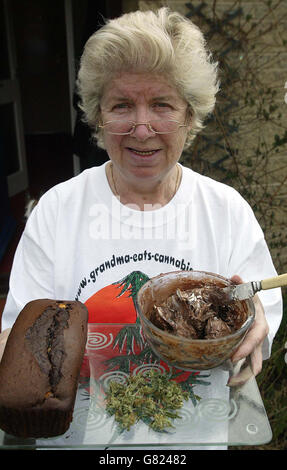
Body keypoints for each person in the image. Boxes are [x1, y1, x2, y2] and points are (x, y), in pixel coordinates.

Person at [0, 8, 282, 449]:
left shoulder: (225, 210)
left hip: (190, 441)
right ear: (98, 116)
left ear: (190, 115)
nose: (142, 127)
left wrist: (255, 325)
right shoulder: (58, 209)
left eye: (162, 105)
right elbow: (17, 337)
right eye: (122, 105)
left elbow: (262, 313)